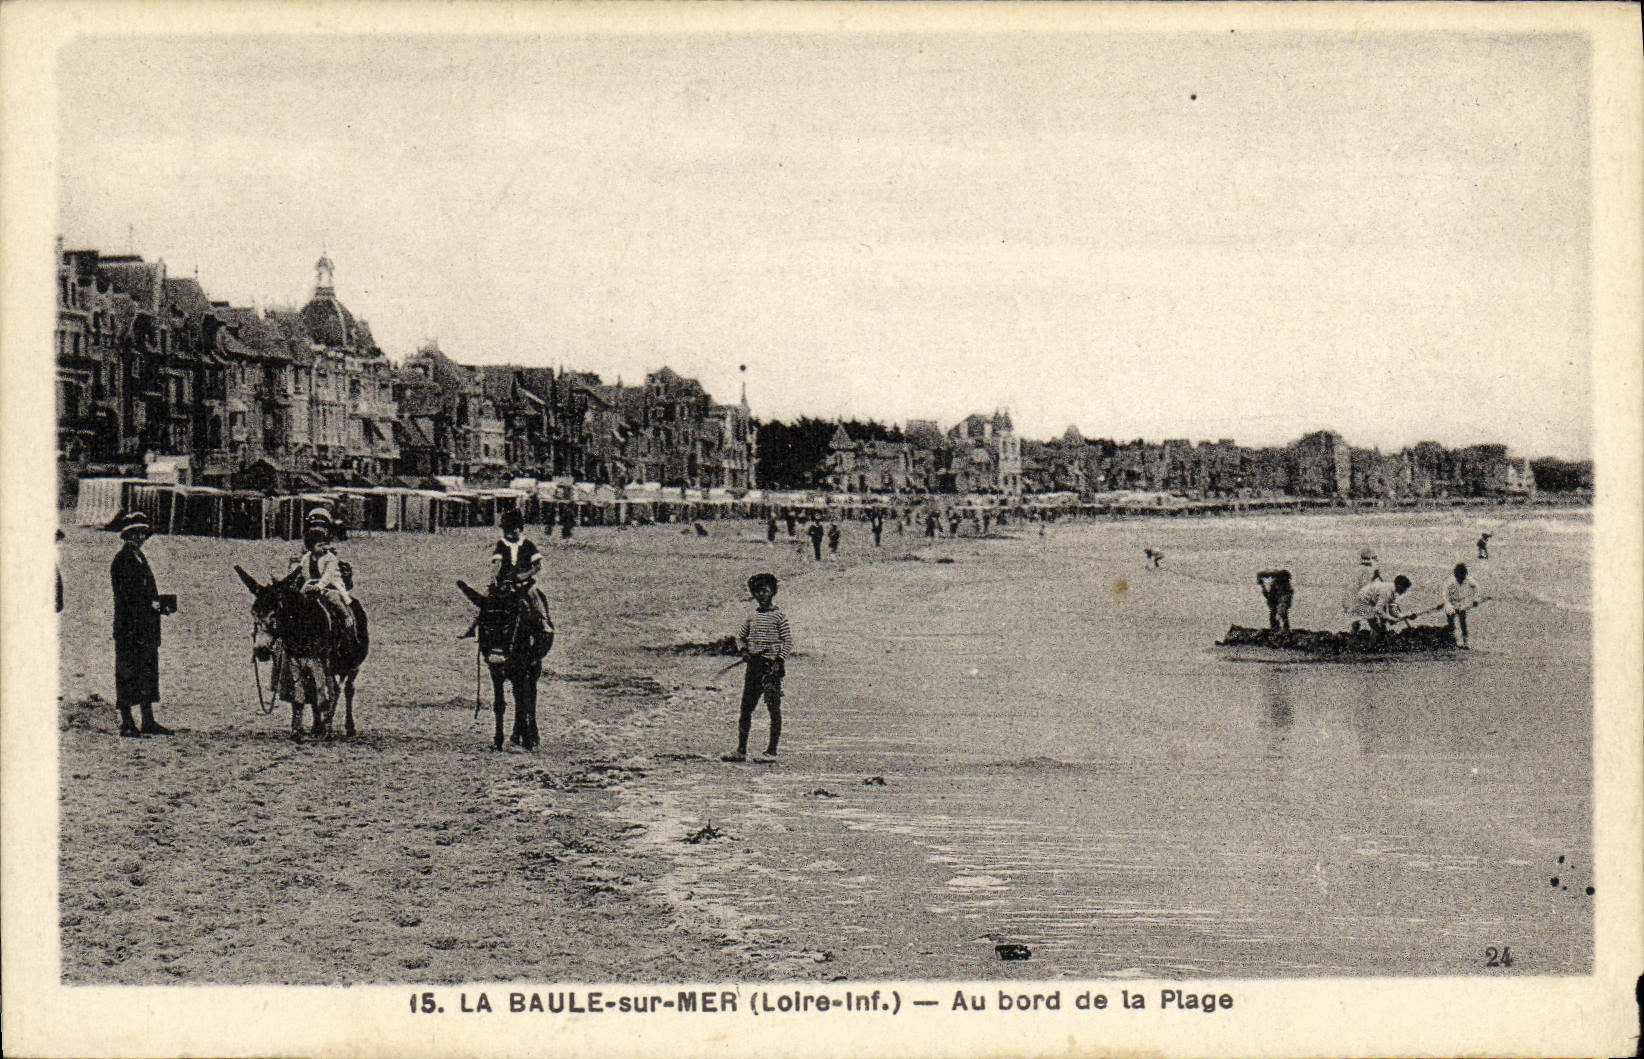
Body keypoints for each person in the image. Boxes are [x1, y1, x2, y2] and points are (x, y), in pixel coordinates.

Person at [110, 511, 172, 736]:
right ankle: (127, 722)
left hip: (145, 626)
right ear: (127, 535)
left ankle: (147, 720)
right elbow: (129, 596)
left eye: (143, 534)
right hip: (129, 627)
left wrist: (159, 604)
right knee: (127, 672)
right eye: (136, 534)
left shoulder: (140, 558)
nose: (140, 538)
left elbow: (147, 590)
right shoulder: (123, 560)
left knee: (146, 671)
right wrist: (151, 605)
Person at [723, 572, 791, 763]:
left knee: (773, 709)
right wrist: (743, 650)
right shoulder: (752, 617)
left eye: (765, 591)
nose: (761, 595)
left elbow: (787, 641)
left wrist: (779, 660)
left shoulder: (779, 617)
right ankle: (741, 750)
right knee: (746, 708)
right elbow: (739, 637)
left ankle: (771, 751)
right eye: (757, 592)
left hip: (771, 668)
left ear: (773, 592)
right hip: (753, 666)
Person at [289, 509, 354, 636]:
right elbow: (299, 570)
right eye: (320, 545)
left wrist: (318, 587)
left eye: (325, 545)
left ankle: (346, 616)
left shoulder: (330, 557)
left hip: (329, 586)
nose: (324, 548)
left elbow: (328, 576)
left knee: (333, 598)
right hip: (309, 585)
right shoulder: (306, 557)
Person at [491, 508, 551, 629]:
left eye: (513, 529)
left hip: (524, 582)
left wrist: (526, 574)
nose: (510, 534)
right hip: (505, 581)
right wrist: (494, 577)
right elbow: (497, 562)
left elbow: (538, 565)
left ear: (520, 529)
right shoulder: (502, 544)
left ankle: (544, 622)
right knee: (487, 599)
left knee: (536, 597)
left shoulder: (528, 544)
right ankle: (476, 624)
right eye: (507, 530)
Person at [1444, 562, 1482, 647]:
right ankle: (1453, 641)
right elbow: (1445, 595)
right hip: (1451, 603)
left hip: (1462, 603)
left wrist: (1476, 599)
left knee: (1462, 623)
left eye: (1463, 577)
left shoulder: (1468, 579)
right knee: (1451, 623)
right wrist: (1449, 606)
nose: (1461, 579)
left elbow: (1477, 587)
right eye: (1459, 577)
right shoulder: (1450, 581)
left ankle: (1465, 642)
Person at [1342, 548, 1381, 614]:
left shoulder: (1360, 570)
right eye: (1375, 558)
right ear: (1371, 559)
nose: (1378, 561)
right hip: (1356, 606)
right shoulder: (1364, 571)